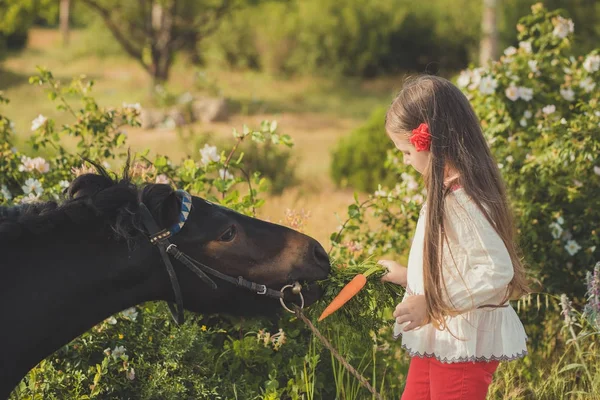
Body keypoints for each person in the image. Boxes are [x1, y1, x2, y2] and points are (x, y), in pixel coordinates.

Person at [378, 75, 529, 400]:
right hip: (443, 335)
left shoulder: (462, 201)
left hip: (462, 341)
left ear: (427, 142)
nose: (405, 161)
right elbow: (454, 264)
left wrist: (432, 303)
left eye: (405, 152)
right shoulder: (448, 192)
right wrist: (408, 278)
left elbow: (497, 271)